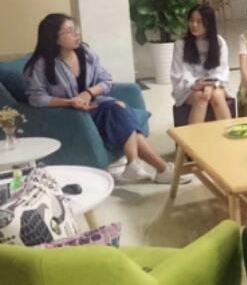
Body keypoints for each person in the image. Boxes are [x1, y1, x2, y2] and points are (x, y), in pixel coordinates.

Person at [25, 14, 188, 185]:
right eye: (70, 31)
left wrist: (89, 93)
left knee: (119, 108)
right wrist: (68, 102)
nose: (77, 34)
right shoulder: (41, 64)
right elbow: (36, 97)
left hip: (95, 106)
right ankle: (158, 169)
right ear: (55, 38)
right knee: (120, 110)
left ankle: (140, 165)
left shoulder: (86, 54)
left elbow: (106, 80)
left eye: (76, 29)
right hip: (71, 115)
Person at [171, 4, 232, 124]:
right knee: (201, 98)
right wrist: (195, 84)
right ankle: (194, 136)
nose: (194, 25)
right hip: (188, 87)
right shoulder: (181, 44)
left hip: (216, 84)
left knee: (217, 96)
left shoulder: (219, 42)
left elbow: (221, 71)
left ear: (209, 23)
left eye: (199, 21)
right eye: (192, 20)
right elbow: (179, 72)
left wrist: (210, 85)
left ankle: (229, 133)